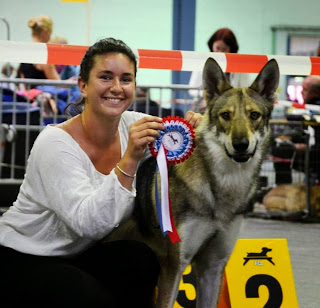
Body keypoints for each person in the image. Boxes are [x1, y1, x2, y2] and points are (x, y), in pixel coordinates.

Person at [0, 37, 202, 307]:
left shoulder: (134, 124)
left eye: (126, 79)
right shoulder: (54, 144)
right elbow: (90, 224)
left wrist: (196, 125)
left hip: (76, 251)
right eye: (106, 77)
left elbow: (176, 138)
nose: (117, 88)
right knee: (92, 298)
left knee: (141, 260)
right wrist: (130, 157)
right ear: (83, 85)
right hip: (24, 253)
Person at [188, 27, 251, 112]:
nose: (220, 53)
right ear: (212, 45)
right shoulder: (203, 62)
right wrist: (208, 98)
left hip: (233, 109)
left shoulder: (240, 65)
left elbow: (246, 89)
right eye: (217, 48)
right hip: (205, 108)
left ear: (231, 49)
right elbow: (192, 89)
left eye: (224, 49)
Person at [17, 15, 60, 84]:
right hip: (44, 93)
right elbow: (58, 83)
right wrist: (69, 83)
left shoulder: (24, 52)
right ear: (45, 32)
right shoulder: (43, 55)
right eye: (50, 34)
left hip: (28, 93)